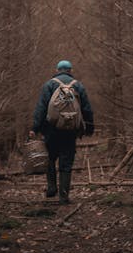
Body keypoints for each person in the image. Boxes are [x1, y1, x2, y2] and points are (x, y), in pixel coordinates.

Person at [29, 60, 94, 204]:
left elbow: (41, 108)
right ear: (70, 70)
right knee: (66, 163)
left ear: (57, 70)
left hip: (51, 129)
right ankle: (64, 196)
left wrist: (35, 128)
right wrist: (89, 127)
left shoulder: (49, 85)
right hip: (70, 131)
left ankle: (51, 188)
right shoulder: (78, 85)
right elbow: (86, 109)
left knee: (50, 159)